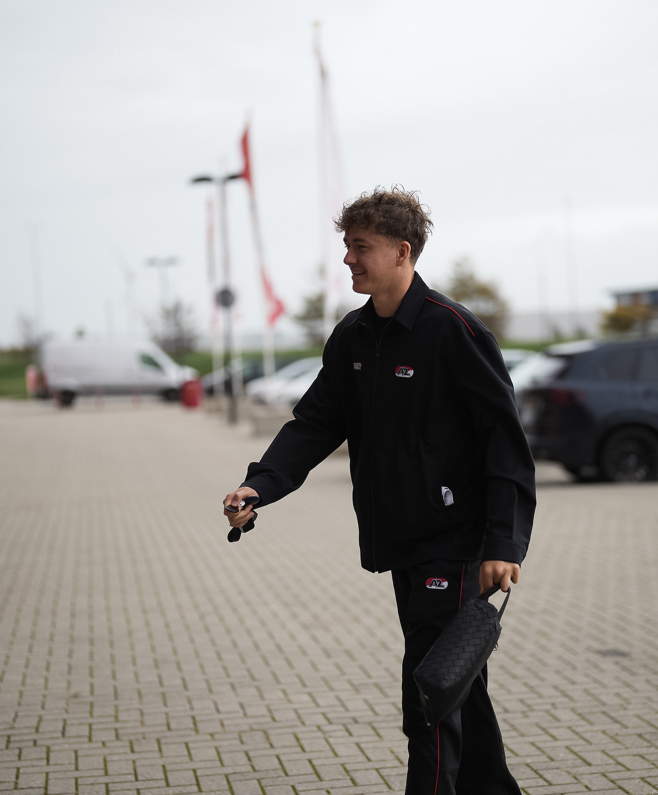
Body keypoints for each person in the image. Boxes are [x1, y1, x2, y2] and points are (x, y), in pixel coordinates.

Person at [223, 186, 535, 794]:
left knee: (430, 693)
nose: (348, 259)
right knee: (456, 684)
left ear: (402, 251)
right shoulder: (353, 337)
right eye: (347, 246)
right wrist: (259, 485)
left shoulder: (453, 332)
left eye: (360, 246)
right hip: (400, 540)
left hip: (454, 542)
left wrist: (504, 542)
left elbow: (504, 441)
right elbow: (316, 422)